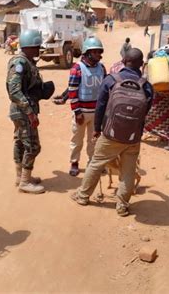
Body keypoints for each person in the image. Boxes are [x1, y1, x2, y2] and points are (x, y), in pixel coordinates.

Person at [71, 48, 153, 217]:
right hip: (133, 137)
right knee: (128, 171)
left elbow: (100, 106)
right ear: (141, 64)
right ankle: (122, 205)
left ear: (123, 61)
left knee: (96, 163)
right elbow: (146, 111)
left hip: (110, 134)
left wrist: (98, 129)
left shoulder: (111, 80)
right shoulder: (146, 85)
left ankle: (83, 195)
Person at [7, 29, 51, 194]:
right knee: (33, 146)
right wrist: (30, 112)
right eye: (37, 47)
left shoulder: (27, 62)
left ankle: (21, 177)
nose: (39, 50)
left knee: (20, 142)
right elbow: (14, 91)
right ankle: (25, 182)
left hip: (22, 110)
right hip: (23, 111)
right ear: (29, 46)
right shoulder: (20, 63)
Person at [67, 37, 106, 176]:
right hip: (82, 112)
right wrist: (77, 111)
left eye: (99, 52)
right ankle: (74, 163)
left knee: (94, 140)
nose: (98, 55)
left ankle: (92, 163)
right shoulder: (77, 69)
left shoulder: (101, 68)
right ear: (87, 53)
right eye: (95, 52)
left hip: (97, 112)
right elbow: (72, 91)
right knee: (77, 140)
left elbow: (105, 89)